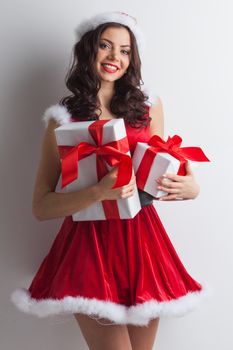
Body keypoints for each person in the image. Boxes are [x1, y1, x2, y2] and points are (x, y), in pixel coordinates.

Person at [11, 11, 211, 350]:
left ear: (132, 58)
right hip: (89, 248)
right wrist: (99, 191)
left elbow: (155, 177)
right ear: (89, 50)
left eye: (124, 50)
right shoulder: (62, 120)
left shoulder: (148, 108)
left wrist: (190, 188)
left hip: (144, 244)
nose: (114, 57)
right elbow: (41, 206)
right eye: (106, 46)